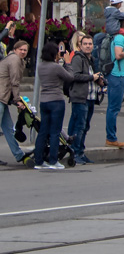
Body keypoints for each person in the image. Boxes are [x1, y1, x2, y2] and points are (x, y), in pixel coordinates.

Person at [35, 41, 91, 170]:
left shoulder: (40, 66)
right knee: (55, 132)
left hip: (44, 101)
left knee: (43, 131)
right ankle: (53, 161)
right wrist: (67, 62)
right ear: (54, 54)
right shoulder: (56, 67)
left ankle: (38, 161)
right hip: (56, 100)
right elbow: (70, 77)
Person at [66, 34, 103, 164]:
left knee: (85, 126)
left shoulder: (91, 59)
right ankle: (74, 153)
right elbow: (74, 76)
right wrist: (91, 77)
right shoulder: (78, 58)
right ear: (80, 46)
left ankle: (81, 152)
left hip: (91, 97)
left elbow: (94, 75)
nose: (88, 46)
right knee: (79, 126)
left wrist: (100, 81)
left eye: (90, 44)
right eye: (85, 44)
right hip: (80, 98)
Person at [105, 16, 124, 148]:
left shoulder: (118, 36)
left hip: (117, 75)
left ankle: (111, 137)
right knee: (114, 108)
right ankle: (111, 138)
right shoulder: (120, 38)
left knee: (113, 107)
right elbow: (118, 55)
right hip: (117, 75)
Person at [0, 39, 29, 165]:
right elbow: (15, 82)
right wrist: (17, 100)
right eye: (20, 49)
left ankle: (18, 154)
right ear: (15, 49)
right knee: (7, 128)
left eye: (25, 50)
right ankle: (18, 154)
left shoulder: (12, 58)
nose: (22, 52)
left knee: (8, 128)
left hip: (3, 98)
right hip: (1, 97)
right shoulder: (15, 60)